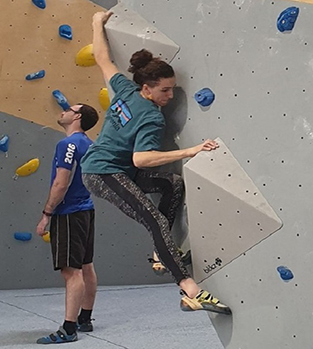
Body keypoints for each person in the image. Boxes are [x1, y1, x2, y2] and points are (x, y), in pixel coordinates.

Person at [81, 10, 231, 315]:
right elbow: (143, 158)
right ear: (147, 88)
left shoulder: (124, 89)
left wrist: (97, 24)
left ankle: (160, 253)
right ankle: (190, 289)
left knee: (172, 184)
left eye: (172, 88)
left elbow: (102, 58)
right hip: (102, 172)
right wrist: (190, 151)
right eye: (165, 90)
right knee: (156, 220)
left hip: (123, 171)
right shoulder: (151, 116)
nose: (170, 94)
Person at [35, 103, 100, 344]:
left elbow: (61, 183)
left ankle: (69, 329)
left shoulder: (68, 145)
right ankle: (85, 318)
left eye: (69, 109)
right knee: (86, 265)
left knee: (70, 272)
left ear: (78, 116)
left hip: (69, 213)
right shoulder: (89, 144)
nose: (63, 111)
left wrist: (47, 214)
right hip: (86, 210)